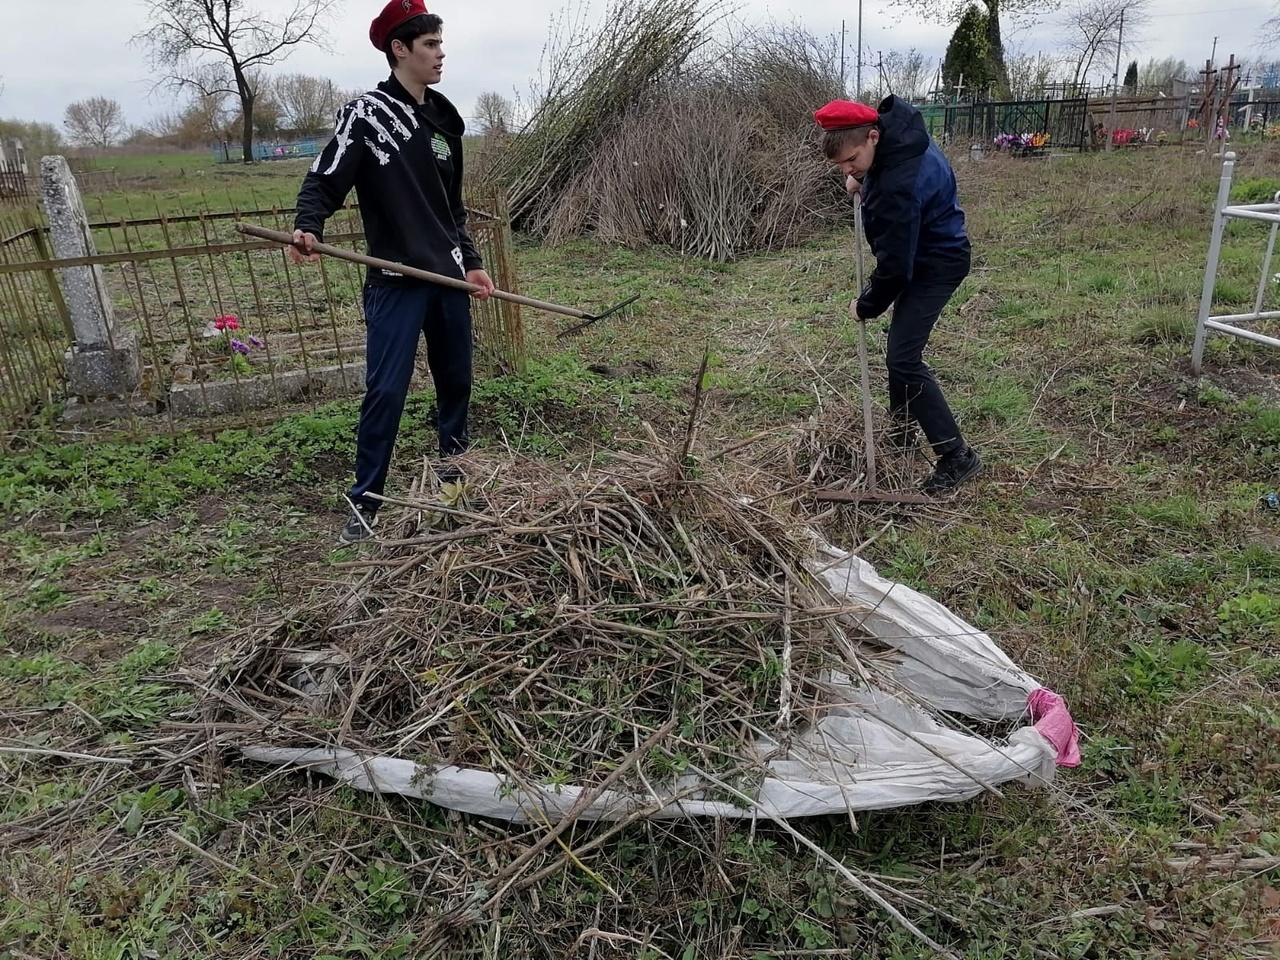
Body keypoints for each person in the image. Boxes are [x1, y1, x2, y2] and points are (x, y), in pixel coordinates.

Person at [288, 0, 495, 542]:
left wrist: (470, 263)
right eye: (430, 44)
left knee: (456, 385)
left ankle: (456, 483)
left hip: (447, 281)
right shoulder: (369, 114)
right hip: (396, 281)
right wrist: (309, 225)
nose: (440, 53)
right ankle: (366, 503)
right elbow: (325, 177)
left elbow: (452, 209)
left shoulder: (445, 119)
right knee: (386, 391)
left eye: (441, 43)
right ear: (399, 49)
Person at [815, 97, 982, 495]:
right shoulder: (902, 134)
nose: (847, 170)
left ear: (873, 136)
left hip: (936, 263)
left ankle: (957, 456)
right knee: (900, 350)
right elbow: (881, 172)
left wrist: (867, 304)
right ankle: (902, 434)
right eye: (840, 165)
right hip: (928, 250)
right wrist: (863, 176)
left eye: (851, 159)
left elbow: (894, 268)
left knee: (904, 359)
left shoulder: (896, 187)